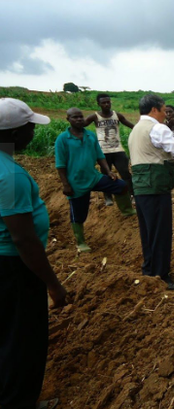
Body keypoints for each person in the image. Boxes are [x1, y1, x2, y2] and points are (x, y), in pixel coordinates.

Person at [0, 98, 67, 409]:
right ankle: (19, 402)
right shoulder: (9, 176)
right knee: (22, 338)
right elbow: (24, 239)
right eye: (28, 128)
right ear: (14, 134)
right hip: (14, 269)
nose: (31, 133)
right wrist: (53, 284)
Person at [128, 94, 174, 290]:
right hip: (156, 188)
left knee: (148, 232)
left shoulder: (135, 130)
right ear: (154, 110)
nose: (166, 115)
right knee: (161, 233)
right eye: (164, 110)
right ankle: (161, 276)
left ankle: (149, 270)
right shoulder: (157, 128)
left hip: (141, 188)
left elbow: (147, 157)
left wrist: (170, 164)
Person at [55, 108, 136, 253]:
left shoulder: (90, 136)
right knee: (78, 214)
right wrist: (66, 184)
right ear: (68, 119)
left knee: (121, 185)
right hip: (75, 182)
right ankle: (81, 242)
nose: (79, 119)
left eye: (81, 117)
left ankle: (127, 211)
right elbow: (60, 165)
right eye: (75, 117)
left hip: (93, 177)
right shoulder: (63, 139)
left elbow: (100, 156)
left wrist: (109, 171)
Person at [84, 93, 136, 206]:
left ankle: (132, 195)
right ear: (99, 104)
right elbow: (81, 125)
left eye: (108, 102)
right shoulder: (95, 116)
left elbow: (132, 126)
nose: (107, 104)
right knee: (106, 174)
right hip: (103, 151)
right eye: (104, 102)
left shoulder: (117, 115)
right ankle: (108, 197)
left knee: (125, 174)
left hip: (118, 149)